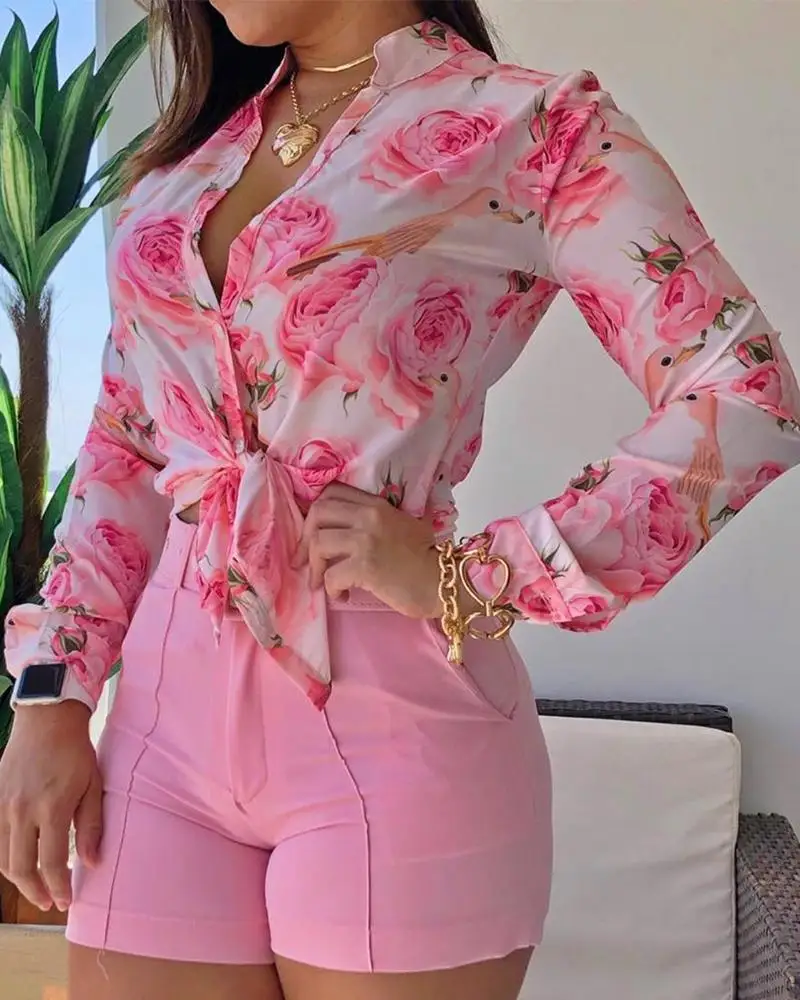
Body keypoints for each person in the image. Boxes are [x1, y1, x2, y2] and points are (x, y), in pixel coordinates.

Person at [1, 1, 798, 998]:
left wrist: (483, 575)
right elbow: (126, 444)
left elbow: (745, 394)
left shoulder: (529, 127)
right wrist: (53, 692)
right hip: (162, 736)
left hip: (395, 734)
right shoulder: (185, 164)